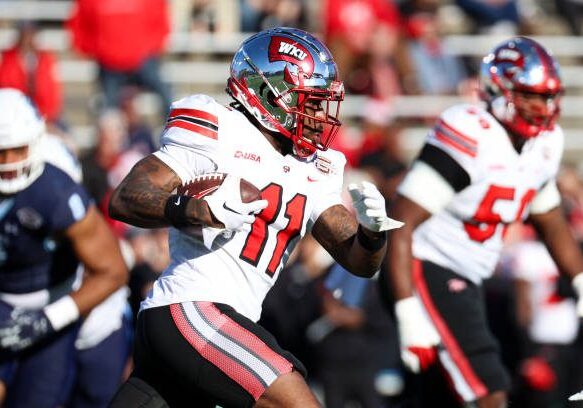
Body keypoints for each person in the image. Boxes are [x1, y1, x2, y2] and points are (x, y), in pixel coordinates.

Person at [108, 27, 402, 407]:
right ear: (268, 94)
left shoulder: (317, 165)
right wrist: (199, 209)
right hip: (192, 309)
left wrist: (373, 232)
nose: (318, 114)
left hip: (213, 324)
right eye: (310, 101)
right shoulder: (218, 130)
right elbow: (128, 196)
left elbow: (359, 261)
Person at [381, 36, 583, 408]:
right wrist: (406, 306)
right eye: (530, 95)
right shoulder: (472, 132)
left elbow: (550, 219)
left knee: (441, 396)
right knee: (488, 384)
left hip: (469, 276)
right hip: (424, 267)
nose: (542, 107)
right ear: (498, 89)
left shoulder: (545, 144)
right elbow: (401, 220)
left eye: (548, 96)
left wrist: (580, 280)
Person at [0, 88, 129, 408]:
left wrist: (48, 319)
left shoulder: (54, 189)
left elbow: (112, 271)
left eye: (17, 150)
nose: (9, 164)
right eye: (1, 152)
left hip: (55, 306)